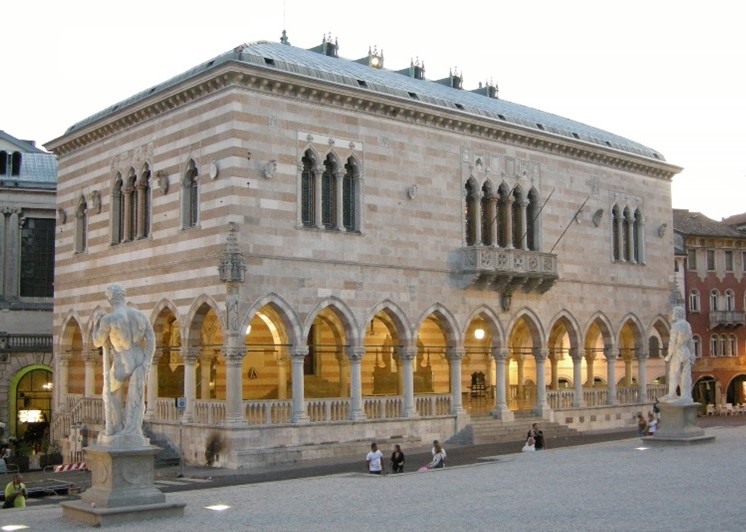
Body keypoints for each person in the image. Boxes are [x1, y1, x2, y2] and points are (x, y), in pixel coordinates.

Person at [92, 284, 156, 438]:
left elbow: (97, 342)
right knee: (137, 397)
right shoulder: (140, 315)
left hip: (124, 362)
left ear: (109, 297)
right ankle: (132, 428)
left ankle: (116, 426)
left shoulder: (109, 319)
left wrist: (96, 325)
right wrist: (147, 360)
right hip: (139, 358)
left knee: (109, 392)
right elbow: (151, 339)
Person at [660, 306, 694, 404]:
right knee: (686, 375)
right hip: (686, 352)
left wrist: (669, 355)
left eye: (674, 313)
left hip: (677, 352)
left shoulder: (676, 326)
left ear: (677, 314)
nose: (672, 315)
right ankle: (686, 394)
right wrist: (692, 354)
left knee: (674, 373)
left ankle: (672, 393)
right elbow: (691, 342)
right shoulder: (687, 325)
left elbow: (672, 342)